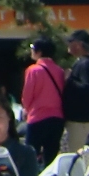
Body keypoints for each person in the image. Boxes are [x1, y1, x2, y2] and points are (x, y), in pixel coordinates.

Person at [20, 39, 65, 169]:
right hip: (57, 118)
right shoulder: (59, 71)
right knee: (51, 159)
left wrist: (26, 110)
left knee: (30, 156)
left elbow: (27, 96)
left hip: (37, 117)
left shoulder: (33, 70)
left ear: (39, 52)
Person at [62, 30, 89, 155]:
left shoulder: (85, 64)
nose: (68, 45)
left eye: (70, 42)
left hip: (82, 121)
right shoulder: (87, 62)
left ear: (78, 45)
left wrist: (69, 80)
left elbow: (87, 89)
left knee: (80, 157)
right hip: (84, 119)